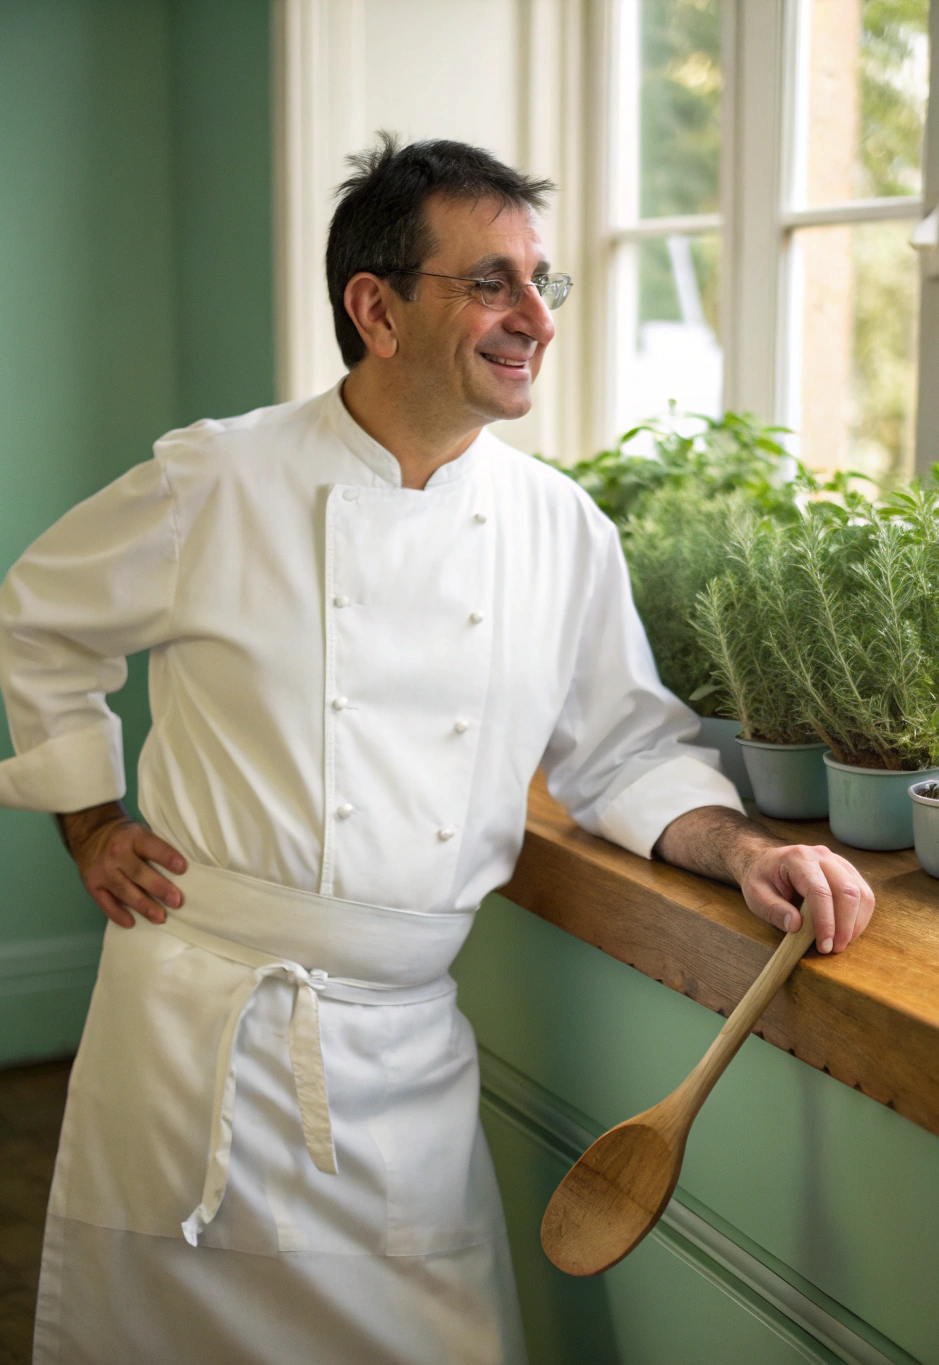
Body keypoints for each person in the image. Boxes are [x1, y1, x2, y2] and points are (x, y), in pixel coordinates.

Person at [0, 135, 873, 1365]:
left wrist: (742, 851)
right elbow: (38, 617)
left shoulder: (559, 527)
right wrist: (87, 814)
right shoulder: (220, 480)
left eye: (540, 281)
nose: (533, 318)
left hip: (407, 1054)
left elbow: (621, 752)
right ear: (377, 308)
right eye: (491, 283)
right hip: (200, 1035)